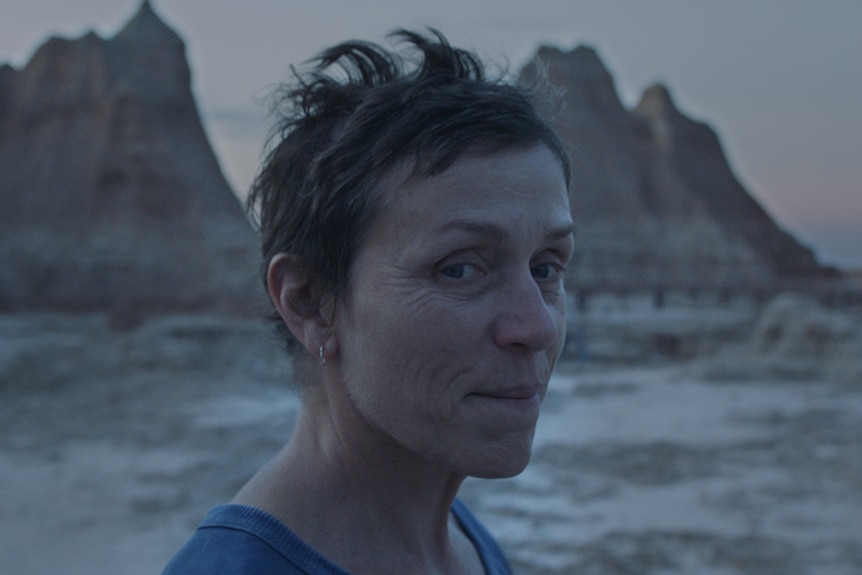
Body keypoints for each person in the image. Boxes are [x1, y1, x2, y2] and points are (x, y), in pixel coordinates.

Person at [162, 29, 574, 575]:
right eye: (459, 268)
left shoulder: (462, 543)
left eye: (546, 267)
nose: (537, 325)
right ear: (309, 303)